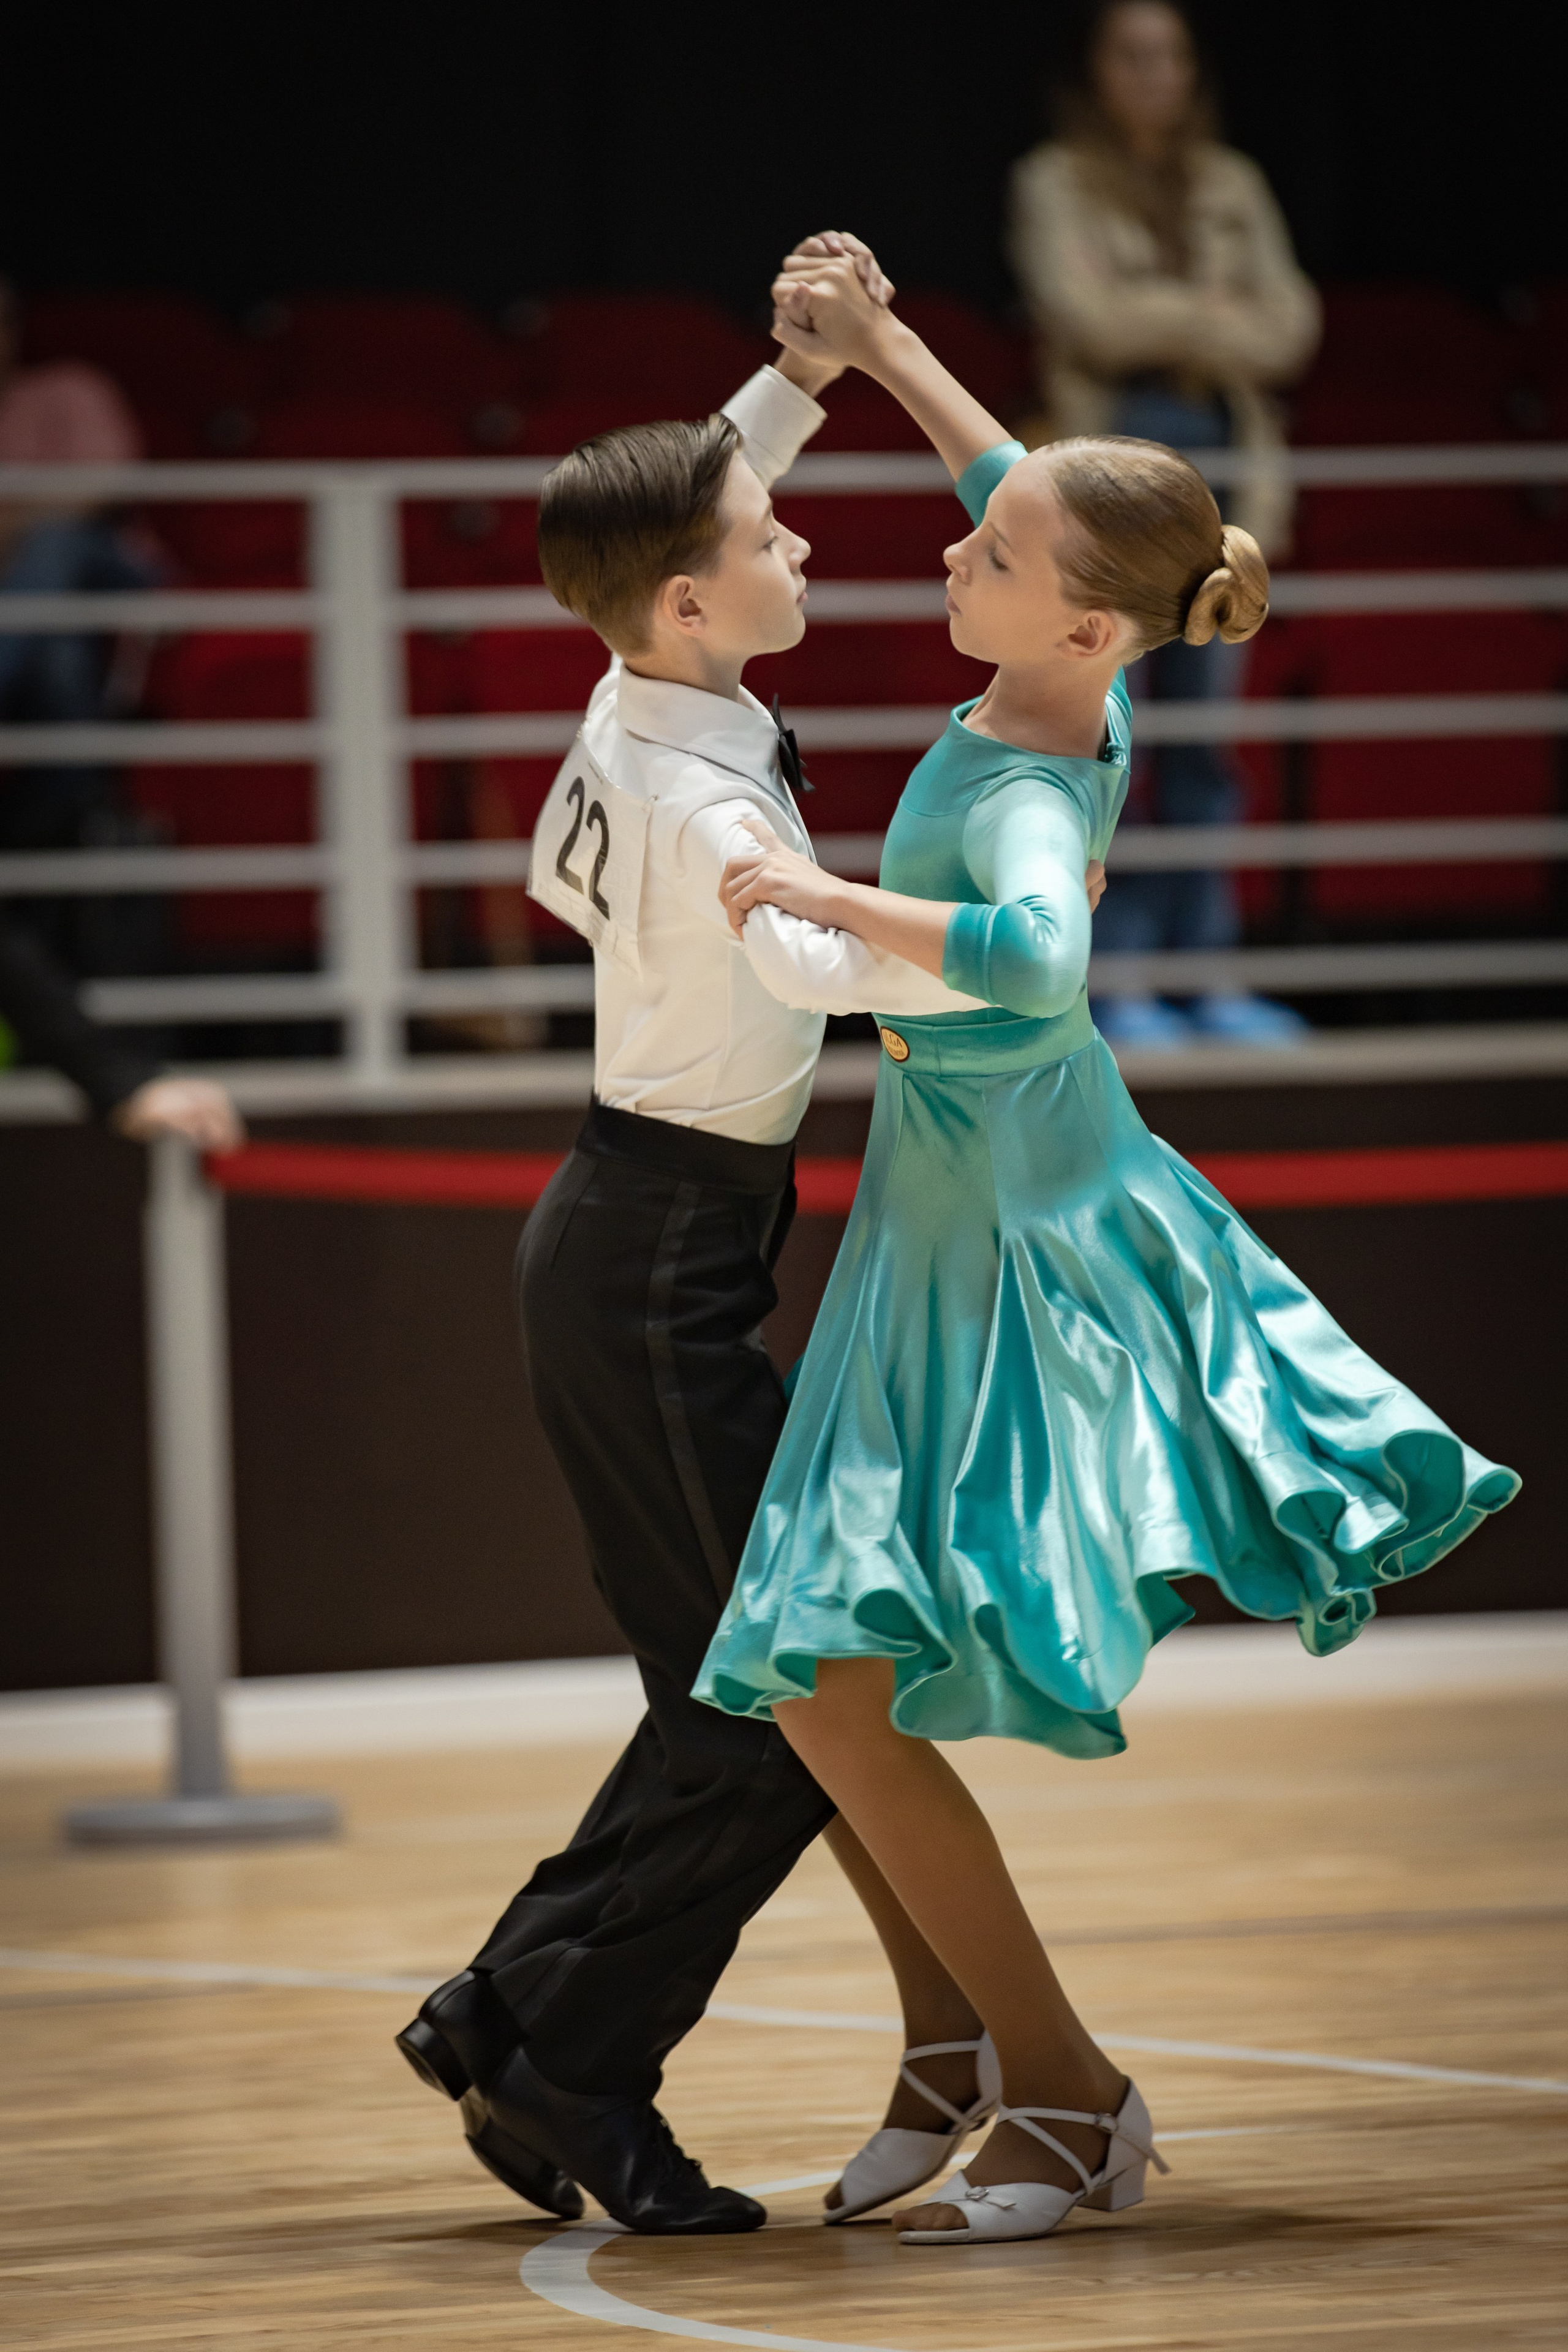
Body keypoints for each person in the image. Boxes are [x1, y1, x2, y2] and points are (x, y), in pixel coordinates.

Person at [693, 251, 1518, 2248]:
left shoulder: (1035, 785)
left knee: (828, 1682)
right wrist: (887, 350)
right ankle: (1001, 2065)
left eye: (992, 553)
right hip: (967, 1209)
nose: (956, 541)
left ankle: (1055, 2088)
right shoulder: (1084, 665)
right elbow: (1029, 484)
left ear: (1079, 622)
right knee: (827, 1684)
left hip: (1007, 1252)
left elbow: (1041, 961)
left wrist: (826, 898)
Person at [392, 238, 1106, 2236]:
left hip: (641, 1241)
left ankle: (507, 2018)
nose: (800, 532)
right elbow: (816, 964)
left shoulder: (645, 678)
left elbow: (698, 493)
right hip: (652, 1266)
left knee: (748, 1694)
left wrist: (800, 379)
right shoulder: (709, 805)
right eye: (769, 531)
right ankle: (570, 2063)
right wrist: (1003, 974)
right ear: (695, 601)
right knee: (787, 1710)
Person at [1009, 1, 1321, 1049]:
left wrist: (1167, 318)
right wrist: (1211, 318)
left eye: (1172, 56)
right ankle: (1119, 982)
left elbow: (1292, 327)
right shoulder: (1054, 180)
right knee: (1118, 752)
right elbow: (1087, 318)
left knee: (1203, 749)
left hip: (1226, 476)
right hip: (1110, 483)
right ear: (1094, 70)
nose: (1156, 74)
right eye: (1133, 56)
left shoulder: (1233, 183)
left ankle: (1207, 974)